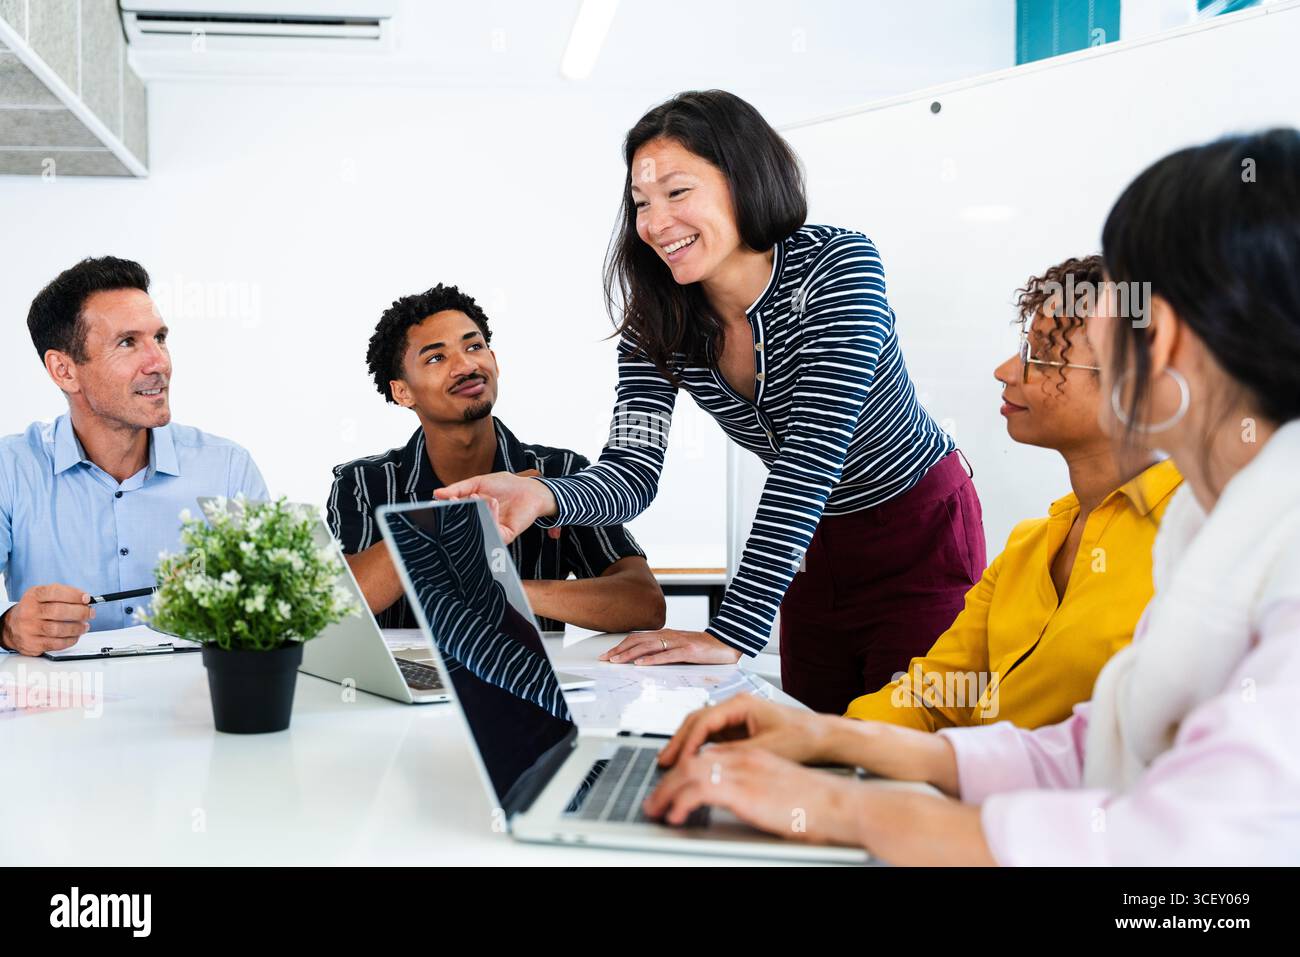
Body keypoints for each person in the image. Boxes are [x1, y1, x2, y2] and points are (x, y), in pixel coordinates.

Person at [642, 128, 1300, 865]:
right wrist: (825, 736)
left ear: (1168, 336)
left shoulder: (1262, 549)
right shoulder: (1201, 532)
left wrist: (842, 806)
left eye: (1121, 304)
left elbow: (1182, 856)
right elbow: (1093, 749)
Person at [437, 90, 984, 715]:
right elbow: (631, 469)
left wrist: (732, 632)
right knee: (815, 738)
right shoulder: (657, 320)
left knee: (905, 744)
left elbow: (811, 455)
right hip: (814, 550)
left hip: (916, 532)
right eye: (641, 203)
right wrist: (543, 496)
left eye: (677, 192)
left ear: (744, 180)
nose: (654, 222)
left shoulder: (839, 265)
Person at [844, 255, 1181, 730]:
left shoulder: (1195, 538)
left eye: (1040, 355)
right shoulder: (1029, 548)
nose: (1006, 371)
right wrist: (817, 740)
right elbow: (933, 698)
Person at [327, 283, 665, 634]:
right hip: (409, 686)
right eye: (436, 358)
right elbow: (342, 603)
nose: (465, 365)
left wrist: (507, 590)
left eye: (474, 346)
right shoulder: (363, 482)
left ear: (495, 362)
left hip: (524, 683)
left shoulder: (560, 476)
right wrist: (446, 521)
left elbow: (644, 604)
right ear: (402, 391)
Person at [0, 256, 269, 656]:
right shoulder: (11, 469)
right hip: (62, 709)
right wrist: (7, 628)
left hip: (194, 707)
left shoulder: (227, 469)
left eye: (159, 338)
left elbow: (278, 614)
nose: (159, 362)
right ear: (64, 370)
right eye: (128, 342)